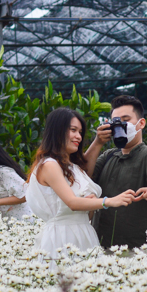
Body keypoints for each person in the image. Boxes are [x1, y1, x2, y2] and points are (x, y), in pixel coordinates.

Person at [26, 108, 135, 260]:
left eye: (80, 132)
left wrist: (98, 142)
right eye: (73, 130)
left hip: (84, 233)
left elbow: (84, 176)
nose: (78, 136)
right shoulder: (49, 164)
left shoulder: (71, 166)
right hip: (62, 237)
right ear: (57, 131)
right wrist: (109, 201)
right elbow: (72, 203)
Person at [85, 95, 147, 249]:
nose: (121, 125)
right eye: (116, 121)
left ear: (141, 123)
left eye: (126, 120)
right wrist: (97, 142)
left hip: (137, 248)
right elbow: (82, 175)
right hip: (100, 244)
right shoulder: (108, 155)